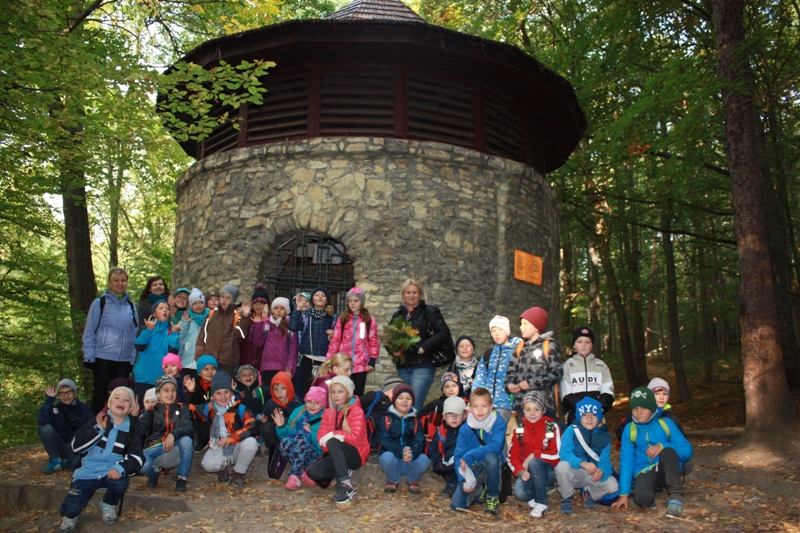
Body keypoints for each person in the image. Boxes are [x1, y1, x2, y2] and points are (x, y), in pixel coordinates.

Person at [58, 386, 143, 533]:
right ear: (109, 403)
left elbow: (137, 457)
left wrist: (120, 468)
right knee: (72, 506)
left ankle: (108, 504)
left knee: (120, 482)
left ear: (130, 408)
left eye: (126, 400)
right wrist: (98, 430)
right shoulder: (96, 422)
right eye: (117, 398)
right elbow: (76, 447)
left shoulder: (131, 431)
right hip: (87, 472)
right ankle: (70, 517)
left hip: (110, 472)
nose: (121, 401)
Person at [612, 387, 693, 518]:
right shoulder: (629, 429)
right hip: (644, 469)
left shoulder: (666, 423)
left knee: (668, 451)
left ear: (652, 408)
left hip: (666, 468)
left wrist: (662, 446)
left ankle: (676, 498)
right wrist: (623, 494)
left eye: (643, 408)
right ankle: (651, 492)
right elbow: (626, 461)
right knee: (642, 500)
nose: (639, 412)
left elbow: (687, 450)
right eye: (635, 408)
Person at [388, 279, 452, 413]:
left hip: (422, 365)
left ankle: (414, 427)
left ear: (420, 294)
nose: (411, 295)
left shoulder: (429, 311)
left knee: (414, 404)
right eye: (408, 292)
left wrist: (424, 347)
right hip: (403, 367)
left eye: (415, 292)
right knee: (403, 405)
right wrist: (393, 351)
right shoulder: (397, 315)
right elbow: (390, 339)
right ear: (403, 295)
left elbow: (444, 332)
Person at [82, 267, 139, 414]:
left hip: (124, 360)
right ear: (109, 283)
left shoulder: (131, 306)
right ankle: (92, 425)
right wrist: (89, 356)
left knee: (120, 395)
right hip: (103, 357)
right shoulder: (100, 303)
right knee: (100, 394)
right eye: (116, 280)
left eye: (123, 280)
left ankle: (115, 425)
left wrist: (132, 358)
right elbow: (90, 330)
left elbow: (135, 334)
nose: (120, 283)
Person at [307, 376, 369, 504]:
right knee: (313, 472)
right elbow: (321, 439)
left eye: (340, 392)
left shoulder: (356, 411)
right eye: (333, 392)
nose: (336, 395)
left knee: (333, 441)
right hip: (336, 454)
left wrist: (333, 435)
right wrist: (332, 439)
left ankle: (346, 485)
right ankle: (345, 470)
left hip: (355, 454)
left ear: (348, 393)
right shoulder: (328, 412)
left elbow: (355, 438)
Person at [555, 396, 618, 515]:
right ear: (579, 417)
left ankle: (589, 492)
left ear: (599, 417)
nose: (589, 418)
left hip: (593, 475)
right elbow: (565, 453)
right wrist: (581, 463)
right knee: (562, 466)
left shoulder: (604, 437)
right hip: (575, 472)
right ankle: (567, 497)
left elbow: (605, 462)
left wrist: (602, 472)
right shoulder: (571, 430)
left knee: (612, 486)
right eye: (585, 415)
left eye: (593, 415)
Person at [450, 387, 507, 515]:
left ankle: (492, 496)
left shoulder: (497, 422)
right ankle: (480, 488)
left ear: (491, 407)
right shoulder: (465, 428)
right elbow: (459, 455)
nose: (480, 410)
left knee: (491, 457)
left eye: (484, 406)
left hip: (492, 465)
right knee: (457, 505)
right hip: (474, 467)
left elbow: (495, 446)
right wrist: (463, 479)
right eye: (476, 406)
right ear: (470, 408)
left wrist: (470, 454)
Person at [197, 372, 259, 487]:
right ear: (212, 396)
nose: (223, 396)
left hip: (237, 446)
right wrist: (190, 393)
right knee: (208, 465)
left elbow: (253, 427)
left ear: (231, 393)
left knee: (251, 442)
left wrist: (231, 438)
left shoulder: (240, 408)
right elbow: (188, 411)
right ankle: (222, 467)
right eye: (218, 393)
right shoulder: (208, 409)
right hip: (219, 446)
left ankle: (238, 473)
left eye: (226, 392)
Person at [509, 391, 562, 518]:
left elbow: (557, 455)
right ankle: (538, 490)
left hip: (548, 471)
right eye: (528, 410)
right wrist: (520, 470)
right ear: (523, 410)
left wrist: (535, 454)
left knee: (534, 462)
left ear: (543, 410)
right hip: (529, 472)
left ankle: (542, 502)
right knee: (520, 493)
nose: (532, 413)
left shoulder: (552, 427)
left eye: (536, 409)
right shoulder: (519, 430)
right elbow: (511, 456)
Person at [139, 376, 194, 492]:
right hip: (156, 448)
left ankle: (182, 477)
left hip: (174, 449)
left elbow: (188, 427)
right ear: (158, 394)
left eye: (173, 390)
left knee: (187, 440)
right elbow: (139, 430)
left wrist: (173, 434)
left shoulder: (182, 408)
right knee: (141, 466)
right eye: (166, 390)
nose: (170, 394)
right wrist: (133, 417)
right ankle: (154, 472)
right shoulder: (151, 411)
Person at [507, 307, 562, 417]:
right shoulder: (519, 347)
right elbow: (511, 371)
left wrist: (530, 384)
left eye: (525, 324)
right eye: (521, 324)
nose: (521, 327)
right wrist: (509, 384)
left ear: (536, 326)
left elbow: (556, 373)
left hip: (543, 405)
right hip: (521, 405)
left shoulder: (549, 346)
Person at [377, 384, 430, 494]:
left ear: (413, 402)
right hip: (394, 458)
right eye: (400, 398)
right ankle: (393, 479)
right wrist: (401, 451)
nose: (404, 401)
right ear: (394, 400)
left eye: (408, 398)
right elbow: (384, 440)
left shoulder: (415, 421)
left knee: (425, 459)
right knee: (386, 457)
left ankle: (412, 478)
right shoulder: (386, 419)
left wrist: (411, 453)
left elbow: (419, 440)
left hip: (411, 460)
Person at [326, 287, 379, 396]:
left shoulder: (369, 320)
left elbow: (373, 340)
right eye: (350, 301)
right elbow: (335, 340)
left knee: (357, 394)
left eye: (356, 301)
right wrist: (329, 360)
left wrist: (372, 360)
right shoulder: (343, 318)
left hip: (361, 364)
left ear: (361, 302)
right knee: (342, 392)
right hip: (343, 364)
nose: (352, 303)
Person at [276, 386, 327, 490]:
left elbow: (323, 446)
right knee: (284, 442)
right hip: (297, 450)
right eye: (309, 402)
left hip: (315, 453)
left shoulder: (326, 417)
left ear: (323, 404)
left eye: (317, 403)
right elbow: (287, 436)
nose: (312, 405)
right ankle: (305, 471)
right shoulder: (298, 412)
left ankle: (295, 475)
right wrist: (281, 427)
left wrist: (311, 433)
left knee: (301, 437)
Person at [560, 326, 615, 425]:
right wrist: (582, 408)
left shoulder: (601, 365)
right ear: (574, 345)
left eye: (587, 342)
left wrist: (597, 408)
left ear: (592, 345)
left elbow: (608, 392)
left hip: (597, 415)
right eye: (580, 342)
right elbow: (565, 394)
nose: (583, 345)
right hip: (575, 415)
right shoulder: (567, 366)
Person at [194, 283, 252, 375]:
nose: (224, 300)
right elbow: (202, 337)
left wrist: (245, 316)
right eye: (222, 296)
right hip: (210, 359)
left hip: (227, 362)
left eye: (228, 298)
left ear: (233, 300)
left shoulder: (237, 315)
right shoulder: (212, 314)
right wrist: (199, 356)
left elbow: (242, 334)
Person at [37, 379, 93, 473]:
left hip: (78, 449)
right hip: (62, 446)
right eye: (62, 393)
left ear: (74, 393)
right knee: (45, 429)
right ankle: (56, 460)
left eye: (69, 392)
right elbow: (42, 420)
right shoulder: (55, 409)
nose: (66, 396)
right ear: (58, 395)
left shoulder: (84, 409)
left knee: (77, 462)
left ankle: (67, 462)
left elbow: (93, 429)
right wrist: (49, 399)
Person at [288, 286, 336, 395]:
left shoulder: (333, 318)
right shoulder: (305, 316)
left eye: (323, 295)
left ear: (327, 300)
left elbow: (337, 340)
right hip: (307, 359)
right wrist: (298, 309)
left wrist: (332, 336)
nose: (320, 297)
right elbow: (293, 327)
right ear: (312, 299)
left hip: (325, 361)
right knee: (306, 390)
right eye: (317, 295)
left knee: (323, 390)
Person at [472, 316, 520, 422]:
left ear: (507, 331)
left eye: (500, 329)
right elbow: (480, 379)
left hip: (507, 405)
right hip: (486, 405)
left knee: (496, 423)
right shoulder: (488, 355)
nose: (497, 334)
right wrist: (474, 400)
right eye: (493, 331)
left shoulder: (517, 352)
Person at [133, 300, 180, 404]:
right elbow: (139, 345)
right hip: (141, 377)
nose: (165, 310)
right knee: (138, 407)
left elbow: (172, 352)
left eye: (167, 308)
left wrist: (174, 334)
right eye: (161, 308)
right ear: (154, 313)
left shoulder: (171, 331)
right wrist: (149, 330)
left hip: (160, 378)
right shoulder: (145, 328)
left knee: (156, 409)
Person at [615, 377, 686, 443]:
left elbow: (681, 440)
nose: (661, 397)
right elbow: (620, 433)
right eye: (657, 394)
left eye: (665, 394)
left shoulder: (670, 417)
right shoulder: (638, 414)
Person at [251, 297, 298, 389]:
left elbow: (293, 351)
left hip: (283, 368)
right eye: (276, 308)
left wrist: (290, 370)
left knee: (281, 392)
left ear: (287, 311)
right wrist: (258, 324)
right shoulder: (267, 325)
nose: (279, 311)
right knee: (268, 392)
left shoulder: (290, 328)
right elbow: (257, 343)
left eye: (282, 308)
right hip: (267, 367)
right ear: (272, 310)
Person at [258, 371, 302, 466]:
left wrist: (283, 421)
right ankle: (272, 448)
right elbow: (265, 417)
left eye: (283, 388)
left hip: (290, 435)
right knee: (265, 427)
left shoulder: (296, 403)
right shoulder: (271, 403)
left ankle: (288, 450)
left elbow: (299, 422)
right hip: (275, 434)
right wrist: (264, 420)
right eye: (276, 389)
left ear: (289, 388)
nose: (279, 392)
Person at [429, 396, 467, 497]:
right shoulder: (441, 433)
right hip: (447, 467)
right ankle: (452, 484)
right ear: (444, 416)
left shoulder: (468, 430)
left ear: (464, 416)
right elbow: (435, 454)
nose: (454, 417)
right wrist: (443, 466)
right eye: (450, 413)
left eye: (458, 414)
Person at [420, 372, 466, 443]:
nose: (451, 389)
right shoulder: (437, 404)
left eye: (454, 386)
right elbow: (421, 415)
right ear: (442, 390)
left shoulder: (465, 403)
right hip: (440, 437)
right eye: (447, 387)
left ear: (459, 387)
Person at [184, 355, 218, 453]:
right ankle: (202, 439)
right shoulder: (195, 383)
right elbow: (188, 405)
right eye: (206, 369)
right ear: (199, 372)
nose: (210, 372)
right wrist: (191, 392)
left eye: (213, 368)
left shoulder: (219, 384)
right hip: (200, 415)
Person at [360, 375, 404, 449]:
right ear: (388, 390)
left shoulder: (400, 404)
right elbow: (353, 405)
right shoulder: (373, 396)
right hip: (366, 440)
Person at [177, 288, 208, 376]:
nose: (198, 306)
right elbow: (180, 339)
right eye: (194, 303)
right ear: (190, 305)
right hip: (186, 361)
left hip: (203, 363)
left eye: (201, 302)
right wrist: (185, 323)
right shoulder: (185, 319)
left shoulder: (209, 319)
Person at [239, 284, 270, 368]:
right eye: (255, 303)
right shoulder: (248, 318)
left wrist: (264, 320)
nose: (258, 306)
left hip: (263, 359)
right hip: (246, 357)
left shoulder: (270, 320)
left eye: (261, 304)